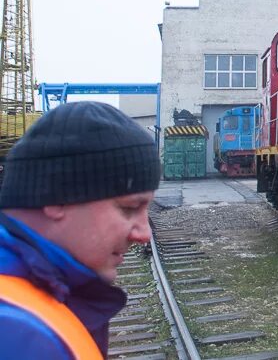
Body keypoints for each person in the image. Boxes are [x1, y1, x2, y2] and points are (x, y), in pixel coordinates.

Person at [0, 101, 160, 359]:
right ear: (56, 198)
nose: (144, 233)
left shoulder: (36, 300)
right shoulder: (20, 336)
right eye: (129, 208)